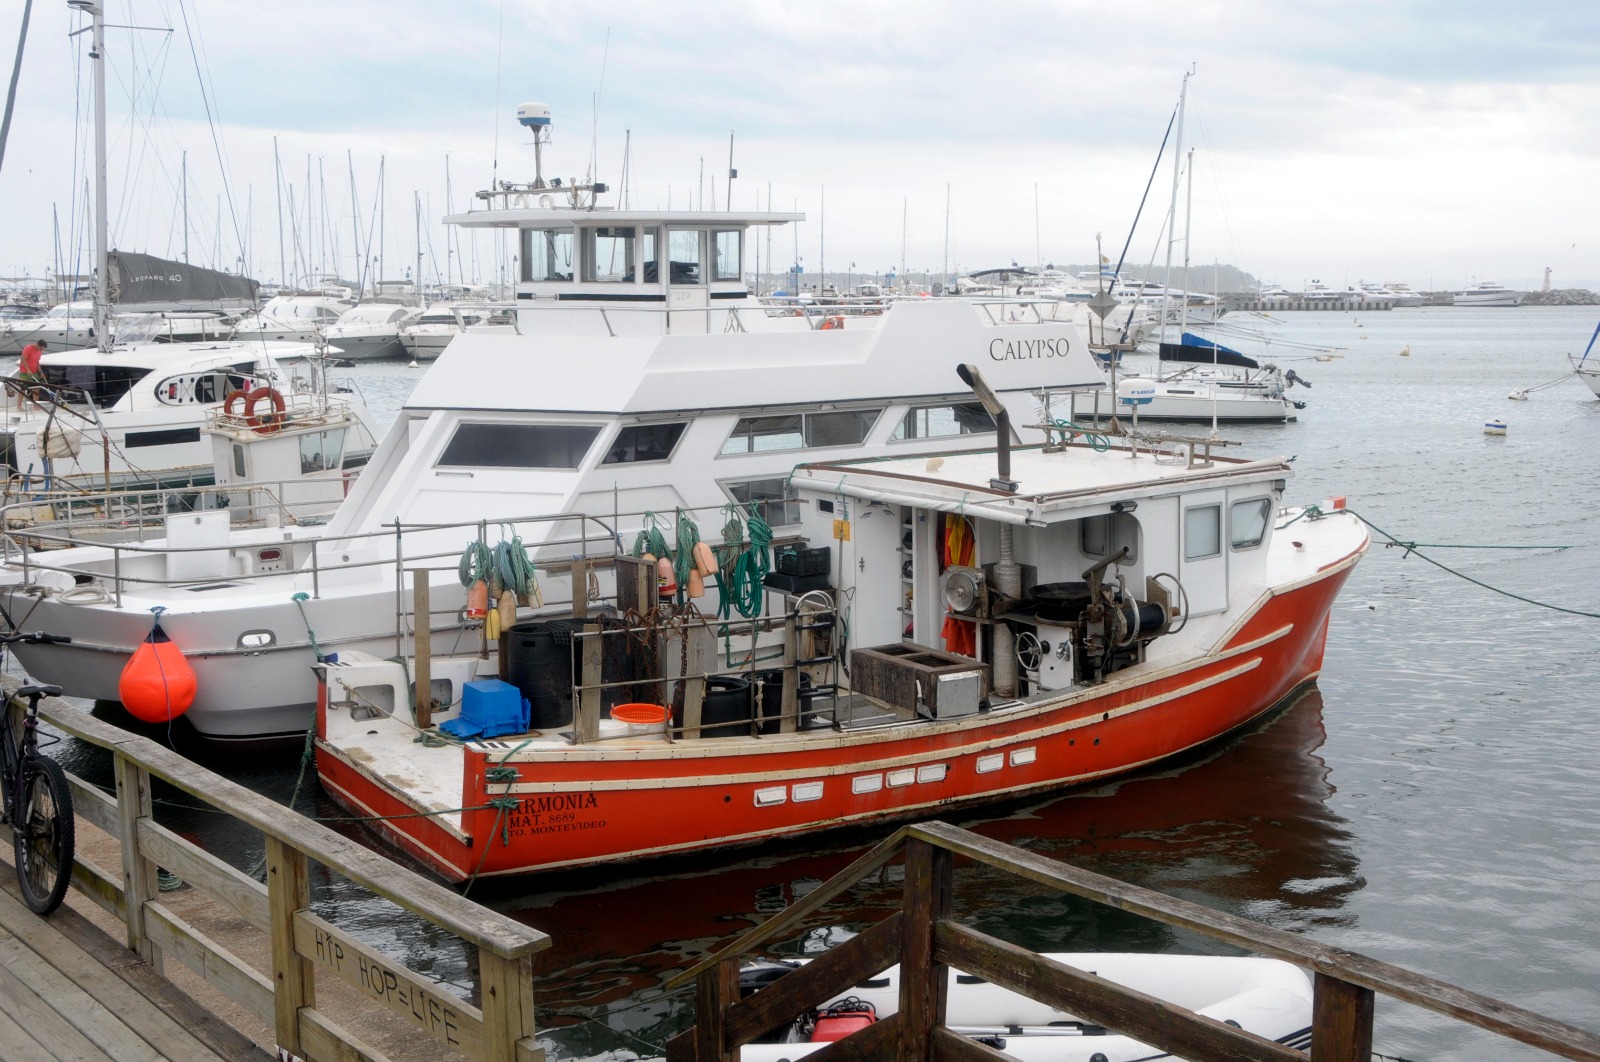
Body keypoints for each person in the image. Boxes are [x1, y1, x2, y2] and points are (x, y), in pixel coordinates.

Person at [16, 339, 45, 411]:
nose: (41, 350)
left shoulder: (39, 351)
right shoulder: (28, 348)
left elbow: (37, 362)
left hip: (34, 372)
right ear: (37, 345)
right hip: (24, 372)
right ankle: (18, 406)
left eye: (42, 349)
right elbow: (22, 359)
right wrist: (28, 369)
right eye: (41, 348)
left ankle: (35, 406)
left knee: (36, 388)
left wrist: (41, 372)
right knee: (22, 389)